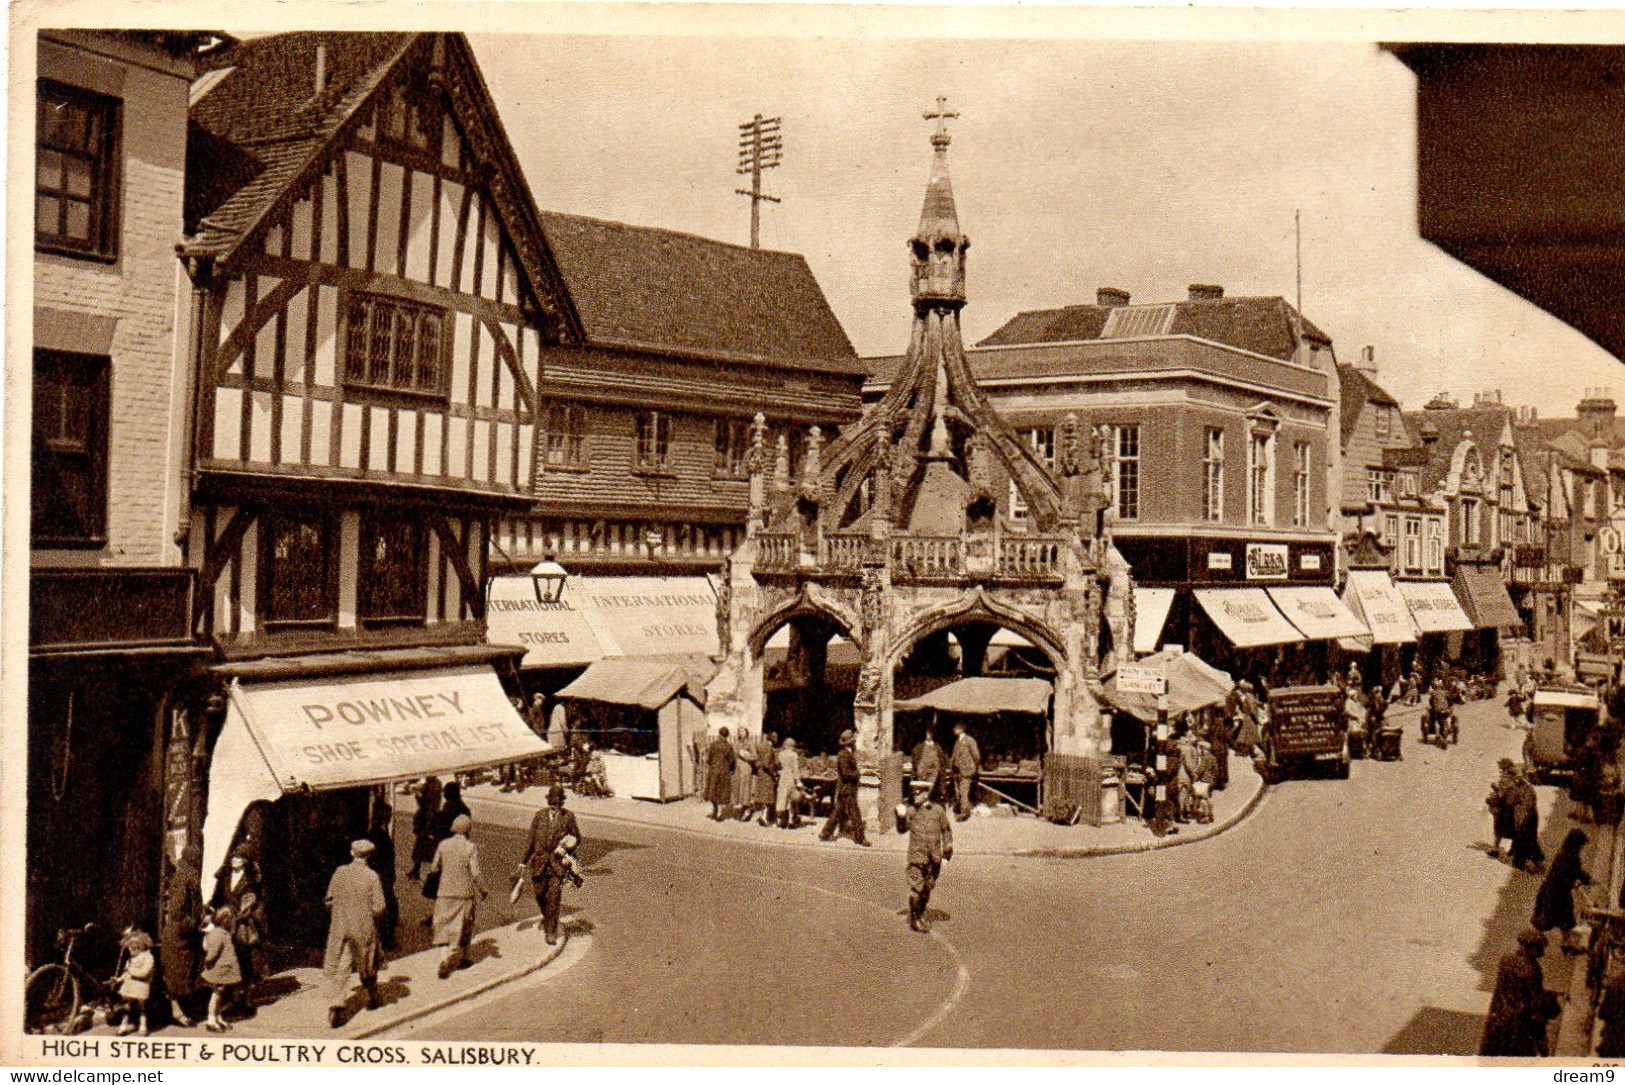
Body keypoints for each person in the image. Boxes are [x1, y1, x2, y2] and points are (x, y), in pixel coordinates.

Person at [323, 839, 388, 1028]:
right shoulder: (372, 877)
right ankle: (373, 994)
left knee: (343, 965)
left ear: (352, 853)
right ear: (369, 856)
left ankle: (337, 1002)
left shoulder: (340, 872)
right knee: (368, 962)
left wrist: (339, 911)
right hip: (363, 927)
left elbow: (329, 899)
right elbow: (380, 907)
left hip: (341, 926)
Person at [1480, 927, 1563, 1056]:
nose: (1543, 951)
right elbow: (1534, 1001)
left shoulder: (1506, 960)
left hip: (1499, 1016)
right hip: (1519, 1024)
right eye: (1540, 947)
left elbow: (1513, 989)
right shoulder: (1532, 970)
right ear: (1530, 948)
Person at [520, 785, 582, 946]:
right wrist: (523, 862)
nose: (555, 807)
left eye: (558, 804)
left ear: (562, 803)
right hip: (539, 863)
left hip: (557, 864)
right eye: (553, 804)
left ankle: (551, 931)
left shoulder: (568, 817)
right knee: (540, 895)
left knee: (553, 898)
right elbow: (530, 840)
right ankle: (547, 917)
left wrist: (567, 846)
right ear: (549, 803)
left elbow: (577, 838)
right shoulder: (539, 816)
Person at [429, 814, 487, 978]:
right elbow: (475, 872)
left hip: (445, 892)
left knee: (442, 926)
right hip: (464, 894)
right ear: (468, 829)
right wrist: (483, 889)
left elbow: (434, 868)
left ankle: (443, 958)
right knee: (466, 926)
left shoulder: (443, 844)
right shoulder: (470, 847)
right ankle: (465, 958)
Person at [210, 846, 265, 1006]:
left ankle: (246, 997)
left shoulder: (252, 879)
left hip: (243, 925)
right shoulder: (225, 877)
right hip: (226, 922)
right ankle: (233, 996)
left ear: (245, 860)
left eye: (238, 857)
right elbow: (217, 898)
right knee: (228, 958)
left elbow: (258, 901)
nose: (234, 860)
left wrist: (249, 913)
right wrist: (213, 910)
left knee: (244, 959)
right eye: (233, 857)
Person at [160, 844, 203, 1027]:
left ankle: (185, 1009)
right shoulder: (183, 878)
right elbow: (177, 912)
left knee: (186, 974)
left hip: (184, 936)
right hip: (179, 937)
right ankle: (177, 1013)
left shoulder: (188, 876)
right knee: (176, 976)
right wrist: (193, 924)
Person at [899, 786, 953, 933]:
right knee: (917, 887)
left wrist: (947, 852)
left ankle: (919, 913)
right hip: (917, 856)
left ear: (925, 793)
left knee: (927, 888)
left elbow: (946, 830)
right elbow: (902, 829)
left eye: (918, 792)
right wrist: (901, 817)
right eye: (913, 792)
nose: (915, 795)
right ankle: (915, 920)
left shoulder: (938, 810)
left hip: (934, 857)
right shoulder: (910, 810)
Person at [1533, 828, 1592, 952]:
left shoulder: (1564, 853)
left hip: (1553, 891)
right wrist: (1586, 880)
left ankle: (1563, 942)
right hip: (1556, 894)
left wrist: (1574, 880)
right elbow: (1574, 873)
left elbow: (1569, 873)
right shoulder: (1570, 857)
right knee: (1557, 918)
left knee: (1556, 918)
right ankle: (1537, 942)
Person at [820, 730, 870, 846]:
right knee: (855, 814)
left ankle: (825, 833)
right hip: (847, 789)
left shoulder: (847, 753)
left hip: (846, 789)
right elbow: (846, 773)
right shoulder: (844, 754)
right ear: (850, 742)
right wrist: (858, 773)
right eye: (853, 741)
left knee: (838, 812)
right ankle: (860, 839)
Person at [198, 907, 240, 1033]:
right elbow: (212, 953)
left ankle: (217, 1017)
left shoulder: (222, 932)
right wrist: (207, 961)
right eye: (231, 920)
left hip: (224, 970)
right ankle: (211, 1020)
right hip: (219, 970)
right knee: (216, 995)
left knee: (220, 995)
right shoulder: (218, 934)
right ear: (225, 920)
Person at [364, 805, 399, 951]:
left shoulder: (379, 831)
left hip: (384, 876)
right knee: (389, 908)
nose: (390, 816)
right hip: (380, 876)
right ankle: (386, 940)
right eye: (388, 814)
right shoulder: (377, 833)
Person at [112, 927, 155, 1036]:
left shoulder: (148, 958)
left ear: (139, 947)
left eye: (132, 949)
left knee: (142, 1007)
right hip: (129, 986)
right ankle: (123, 1026)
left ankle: (143, 1026)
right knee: (126, 1007)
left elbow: (144, 973)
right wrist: (119, 979)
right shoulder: (131, 959)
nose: (130, 951)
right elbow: (126, 973)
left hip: (141, 986)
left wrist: (130, 970)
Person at [1508, 768, 1545, 873]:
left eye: (1518, 777)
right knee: (1525, 841)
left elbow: (1526, 807)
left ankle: (1534, 864)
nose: (1516, 779)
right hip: (1524, 819)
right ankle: (1525, 862)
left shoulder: (1526, 789)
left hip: (1526, 820)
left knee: (1527, 841)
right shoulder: (1523, 788)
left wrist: (1521, 822)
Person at [409, 775, 443, 881]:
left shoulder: (432, 786)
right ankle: (416, 871)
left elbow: (425, 804)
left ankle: (424, 872)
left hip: (427, 822)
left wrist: (417, 795)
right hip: (428, 821)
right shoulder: (436, 784)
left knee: (424, 848)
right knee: (424, 848)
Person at [1487, 759, 1522, 860]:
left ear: (1505, 770)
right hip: (1513, 807)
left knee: (1500, 829)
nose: (1500, 771)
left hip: (1505, 809)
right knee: (1511, 830)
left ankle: (1496, 849)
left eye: (1501, 769)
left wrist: (1494, 790)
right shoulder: (1514, 778)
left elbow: (1502, 794)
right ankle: (1498, 848)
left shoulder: (1505, 779)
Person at [950, 721, 981, 821]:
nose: (954, 730)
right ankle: (960, 811)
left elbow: (976, 756)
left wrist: (972, 767)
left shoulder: (969, 740)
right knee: (958, 792)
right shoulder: (957, 741)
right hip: (957, 771)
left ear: (962, 729)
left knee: (964, 792)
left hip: (966, 770)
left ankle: (964, 814)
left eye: (956, 728)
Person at [705, 727, 735, 821]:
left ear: (719, 734)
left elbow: (709, 758)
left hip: (714, 770)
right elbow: (731, 759)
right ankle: (719, 813)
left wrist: (713, 764)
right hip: (724, 771)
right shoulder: (729, 746)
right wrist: (730, 768)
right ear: (727, 735)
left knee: (713, 791)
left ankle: (715, 810)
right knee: (722, 791)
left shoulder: (713, 745)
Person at [753, 731, 780, 827]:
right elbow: (766, 764)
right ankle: (764, 817)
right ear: (771, 738)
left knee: (764, 796)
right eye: (775, 737)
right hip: (767, 775)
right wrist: (773, 774)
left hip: (761, 774)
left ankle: (762, 815)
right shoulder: (769, 748)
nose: (777, 739)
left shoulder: (762, 746)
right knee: (768, 797)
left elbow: (758, 761)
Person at [776, 738, 804, 829]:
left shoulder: (780, 754)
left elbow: (777, 765)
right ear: (793, 746)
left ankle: (781, 821)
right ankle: (791, 821)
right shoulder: (794, 755)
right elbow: (795, 769)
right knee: (791, 798)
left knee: (782, 797)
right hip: (790, 777)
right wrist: (798, 781)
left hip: (782, 776)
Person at [912, 729, 944, 802]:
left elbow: (941, 759)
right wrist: (918, 767)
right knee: (921, 786)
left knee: (930, 787)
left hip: (933, 770)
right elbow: (915, 758)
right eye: (927, 734)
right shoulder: (919, 747)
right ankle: (920, 802)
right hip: (922, 770)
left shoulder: (937, 747)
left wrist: (939, 769)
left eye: (931, 734)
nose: (929, 736)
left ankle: (924, 801)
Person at [733, 727, 757, 822]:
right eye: (739, 731)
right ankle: (741, 809)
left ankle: (747, 811)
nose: (740, 733)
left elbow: (755, 756)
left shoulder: (750, 743)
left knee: (746, 789)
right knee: (739, 789)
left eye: (742, 731)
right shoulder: (736, 742)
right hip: (738, 768)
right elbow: (734, 753)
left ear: (746, 732)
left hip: (746, 768)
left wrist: (745, 755)